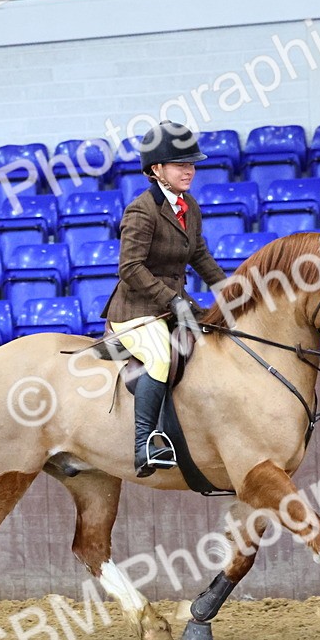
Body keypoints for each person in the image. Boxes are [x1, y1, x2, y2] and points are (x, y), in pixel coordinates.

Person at [101, 121, 228, 478]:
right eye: (179, 164)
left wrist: (231, 291)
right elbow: (130, 267)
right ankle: (145, 444)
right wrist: (171, 300)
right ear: (157, 170)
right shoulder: (142, 210)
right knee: (158, 357)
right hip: (136, 310)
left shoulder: (189, 205)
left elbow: (199, 256)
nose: (189, 171)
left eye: (191, 164)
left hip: (174, 305)